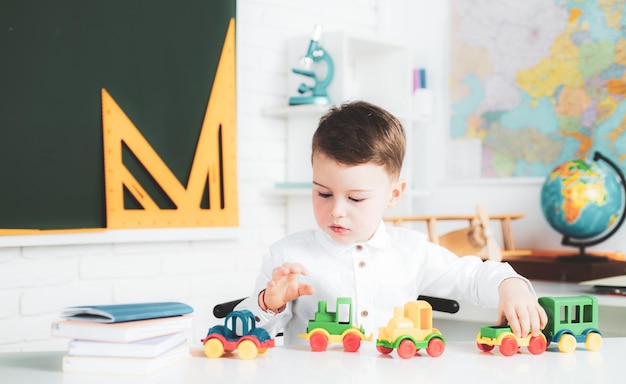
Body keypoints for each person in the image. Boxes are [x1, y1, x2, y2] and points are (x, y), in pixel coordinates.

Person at [236, 100, 547, 346]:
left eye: (355, 199)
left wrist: (511, 286)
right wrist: (268, 302)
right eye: (324, 193)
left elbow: (472, 275)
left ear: (393, 194)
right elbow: (237, 332)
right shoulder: (288, 257)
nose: (337, 211)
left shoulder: (411, 251)